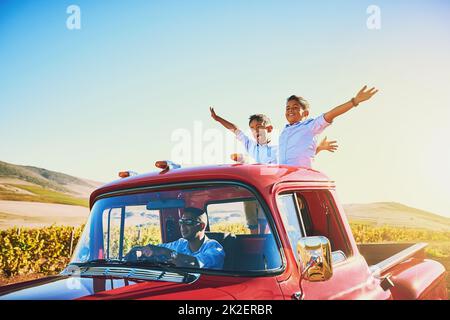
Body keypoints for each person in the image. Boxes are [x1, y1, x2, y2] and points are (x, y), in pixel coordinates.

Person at [279, 85, 378, 168]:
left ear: (305, 113)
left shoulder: (309, 126)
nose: (290, 110)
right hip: (283, 179)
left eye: (295, 108)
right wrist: (319, 148)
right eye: (288, 108)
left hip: (300, 177)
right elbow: (301, 154)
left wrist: (354, 101)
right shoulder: (284, 132)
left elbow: (331, 114)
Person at [209, 108, 337, 164]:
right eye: (252, 129)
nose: (255, 131)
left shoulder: (279, 148)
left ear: (269, 129)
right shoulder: (251, 146)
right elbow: (235, 129)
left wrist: (319, 148)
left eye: (259, 127)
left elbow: (298, 157)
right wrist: (217, 119)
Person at [126, 207, 225, 270]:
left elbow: (195, 263)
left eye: (188, 223)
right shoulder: (181, 244)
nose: (182, 227)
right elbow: (157, 249)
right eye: (181, 222)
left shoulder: (214, 248)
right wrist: (140, 251)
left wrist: (166, 252)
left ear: (201, 226)